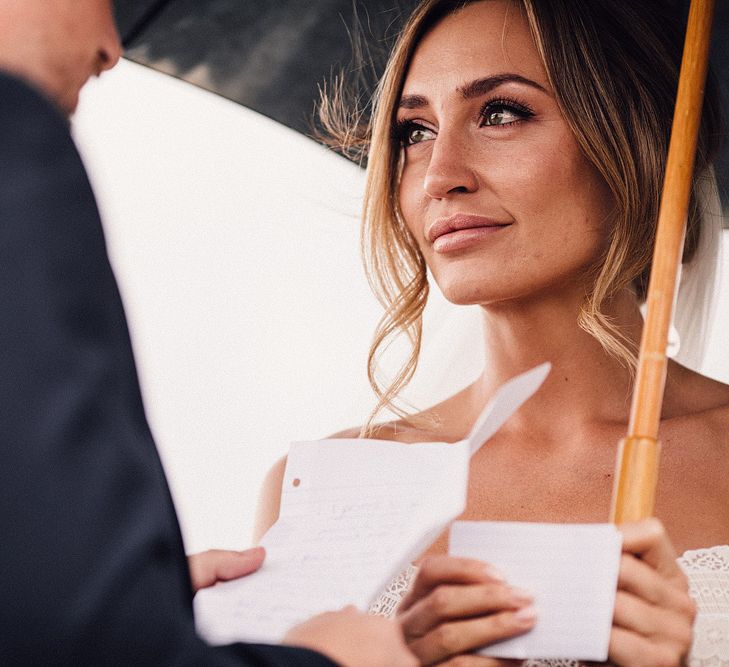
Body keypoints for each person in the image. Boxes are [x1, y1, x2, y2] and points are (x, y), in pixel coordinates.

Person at [256, 1, 729, 665]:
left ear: (635, 137)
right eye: (413, 131)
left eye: (499, 112)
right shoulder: (320, 490)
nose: (440, 174)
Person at [0, 1, 418, 665]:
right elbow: (83, 641)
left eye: (501, 113)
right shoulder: (16, 154)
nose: (111, 49)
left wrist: (140, 603)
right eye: (413, 131)